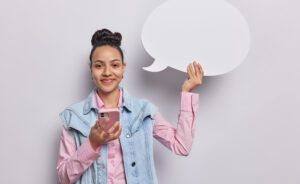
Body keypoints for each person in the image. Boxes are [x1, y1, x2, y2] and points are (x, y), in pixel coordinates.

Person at [56, 28, 204, 184]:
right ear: (91, 69)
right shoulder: (73, 117)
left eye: (114, 65)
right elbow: (64, 177)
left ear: (123, 68)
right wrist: (92, 143)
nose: (107, 72)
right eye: (99, 66)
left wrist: (186, 92)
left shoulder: (143, 112)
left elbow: (182, 146)